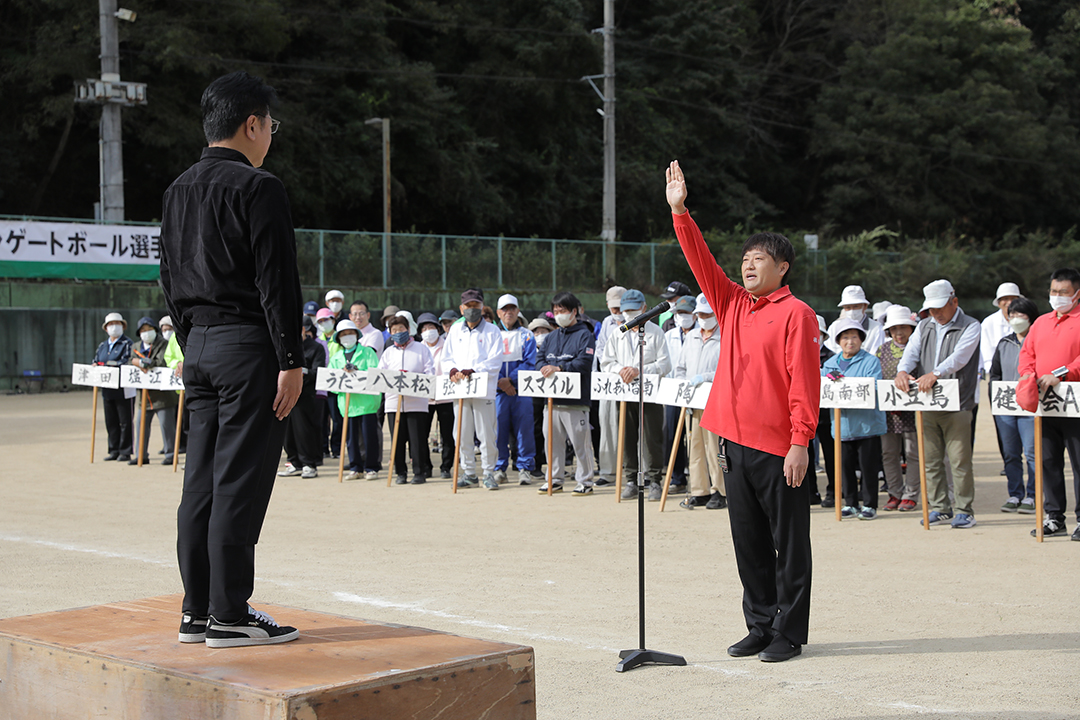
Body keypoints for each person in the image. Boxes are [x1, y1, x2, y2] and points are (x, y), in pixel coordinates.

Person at [159, 70, 302, 647]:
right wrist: (290, 358)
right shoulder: (259, 187)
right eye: (270, 125)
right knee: (240, 480)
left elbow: (169, 278)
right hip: (248, 348)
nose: (270, 135)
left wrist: (192, 339)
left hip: (198, 346)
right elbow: (277, 280)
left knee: (201, 482)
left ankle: (197, 611)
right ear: (252, 124)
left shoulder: (177, 189)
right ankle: (229, 614)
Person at [668, 160, 818, 663]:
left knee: (788, 545)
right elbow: (701, 262)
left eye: (760, 259)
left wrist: (800, 442)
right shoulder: (731, 303)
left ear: (783, 268)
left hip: (779, 447)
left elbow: (804, 383)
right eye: (746, 259)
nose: (749, 266)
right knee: (748, 542)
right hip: (733, 442)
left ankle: (788, 633)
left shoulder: (797, 314)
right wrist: (680, 212)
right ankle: (760, 624)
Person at [894, 279, 981, 530]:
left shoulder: (971, 325)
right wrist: (902, 371)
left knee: (959, 459)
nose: (936, 313)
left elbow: (960, 357)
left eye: (940, 307)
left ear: (954, 301)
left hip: (958, 402)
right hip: (927, 401)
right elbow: (911, 352)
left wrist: (935, 373)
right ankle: (940, 507)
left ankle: (964, 510)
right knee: (930, 459)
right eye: (931, 309)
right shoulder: (924, 326)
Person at [1017, 268, 1080, 540]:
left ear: (1077, 294)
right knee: (1048, 461)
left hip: (1075, 404)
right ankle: (1055, 517)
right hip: (1045, 405)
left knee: (1079, 463)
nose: (1057, 296)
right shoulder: (1041, 322)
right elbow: (1026, 354)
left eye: (1064, 292)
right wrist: (1027, 374)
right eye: (1054, 291)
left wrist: (1061, 373)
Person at [600, 288, 672, 501]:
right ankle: (631, 479)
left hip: (650, 394)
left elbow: (665, 364)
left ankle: (655, 479)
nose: (630, 314)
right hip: (624, 394)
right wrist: (621, 370)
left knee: (652, 437)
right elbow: (606, 362)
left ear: (644, 308)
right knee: (627, 436)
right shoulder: (617, 333)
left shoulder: (655, 332)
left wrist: (639, 370)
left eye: (634, 310)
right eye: (626, 310)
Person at [822, 319, 887, 520]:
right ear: (838, 341)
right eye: (845, 338)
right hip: (842, 426)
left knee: (868, 468)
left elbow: (874, 387)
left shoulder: (871, 361)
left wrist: (845, 385)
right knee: (845, 467)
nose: (850, 342)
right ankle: (850, 503)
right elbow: (825, 387)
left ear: (861, 340)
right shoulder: (830, 364)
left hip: (867, 425)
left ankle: (869, 504)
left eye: (854, 337)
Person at [534, 292, 597, 494]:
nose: (559, 314)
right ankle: (554, 479)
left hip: (576, 401)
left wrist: (560, 367)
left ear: (574, 311)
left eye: (562, 310)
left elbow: (584, 362)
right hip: (551, 400)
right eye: (556, 311)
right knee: (552, 443)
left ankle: (586, 481)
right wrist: (544, 367)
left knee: (580, 443)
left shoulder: (585, 335)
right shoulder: (551, 337)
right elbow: (539, 359)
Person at [442, 288, 504, 490]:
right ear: (461, 309)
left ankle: (488, 472)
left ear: (482, 306)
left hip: (482, 388)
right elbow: (446, 357)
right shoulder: (455, 330)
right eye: (468, 306)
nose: (472, 309)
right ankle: (469, 472)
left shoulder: (492, 330)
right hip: (460, 388)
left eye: (475, 305)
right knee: (461, 432)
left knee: (486, 433)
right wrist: (452, 370)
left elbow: (495, 361)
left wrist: (474, 371)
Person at [989, 297, 1039, 514]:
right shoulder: (1004, 343)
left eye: (1021, 315)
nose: (1016, 319)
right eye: (1012, 315)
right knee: (1010, 453)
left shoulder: (1039, 341)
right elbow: (995, 374)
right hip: (1006, 407)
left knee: (1032, 452)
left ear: (1031, 318)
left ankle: (1033, 495)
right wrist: (996, 398)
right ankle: (1015, 494)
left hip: (1032, 407)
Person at [676, 294, 725, 509]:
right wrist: (683, 386)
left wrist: (704, 378)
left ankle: (720, 490)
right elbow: (680, 367)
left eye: (708, 314)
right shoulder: (692, 337)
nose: (704, 318)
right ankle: (699, 489)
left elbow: (727, 371)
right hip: (693, 401)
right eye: (701, 315)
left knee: (715, 447)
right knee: (694, 446)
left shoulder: (725, 337)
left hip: (716, 401)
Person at [379, 314, 435, 484]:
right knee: (397, 440)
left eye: (401, 329)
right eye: (394, 330)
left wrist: (412, 378)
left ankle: (419, 472)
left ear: (408, 329)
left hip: (416, 403)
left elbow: (430, 372)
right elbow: (380, 375)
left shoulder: (421, 349)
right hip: (393, 403)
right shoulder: (388, 352)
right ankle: (400, 472)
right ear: (390, 333)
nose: (398, 332)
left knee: (417, 440)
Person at [877, 305, 921, 512]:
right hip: (888, 412)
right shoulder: (882, 350)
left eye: (903, 327)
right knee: (889, 453)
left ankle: (911, 494)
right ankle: (894, 492)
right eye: (894, 329)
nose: (899, 333)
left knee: (913, 453)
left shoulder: (919, 348)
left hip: (914, 410)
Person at [328, 320, 381, 480]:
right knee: (350, 438)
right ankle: (355, 467)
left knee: (369, 436)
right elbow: (331, 383)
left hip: (367, 403)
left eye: (350, 333)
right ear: (339, 339)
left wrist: (357, 371)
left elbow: (374, 373)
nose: (347, 337)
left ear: (356, 335)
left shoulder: (367, 352)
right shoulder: (336, 358)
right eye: (343, 335)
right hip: (347, 404)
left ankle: (371, 467)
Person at [493, 294, 538, 485]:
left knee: (524, 431)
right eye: (504, 309)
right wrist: (500, 382)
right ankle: (499, 468)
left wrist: (510, 380)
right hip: (498, 392)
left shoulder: (527, 335)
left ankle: (525, 468)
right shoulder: (491, 334)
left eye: (512, 308)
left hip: (522, 391)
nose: (508, 312)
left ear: (518, 311)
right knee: (497, 431)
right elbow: (486, 362)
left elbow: (530, 362)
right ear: (498, 313)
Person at [279, 316, 325, 479]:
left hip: (305, 396)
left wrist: (301, 371)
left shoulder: (316, 347)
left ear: (303, 330)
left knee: (304, 431)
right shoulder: (286, 346)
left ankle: (309, 464)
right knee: (287, 432)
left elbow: (318, 371)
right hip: (286, 394)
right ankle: (293, 462)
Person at [982, 282, 1021, 471]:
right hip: (999, 381)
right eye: (1004, 299)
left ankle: (1030, 461)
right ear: (998, 303)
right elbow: (986, 355)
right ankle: (1009, 461)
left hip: (1025, 380)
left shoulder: (1028, 321)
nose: (1008, 302)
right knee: (1003, 423)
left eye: (1012, 298)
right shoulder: (988, 323)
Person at [129, 316, 178, 466]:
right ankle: (141, 455)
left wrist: (141, 362)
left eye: (149, 329)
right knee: (140, 425)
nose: (146, 332)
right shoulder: (136, 346)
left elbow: (160, 362)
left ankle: (170, 454)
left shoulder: (163, 344)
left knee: (166, 425)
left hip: (163, 396)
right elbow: (130, 361)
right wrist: (137, 362)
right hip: (143, 396)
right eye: (143, 330)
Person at [662, 295, 696, 493]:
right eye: (679, 313)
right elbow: (666, 363)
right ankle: (677, 478)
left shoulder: (702, 333)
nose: (682, 316)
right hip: (674, 391)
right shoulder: (669, 336)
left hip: (698, 392)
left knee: (696, 438)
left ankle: (704, 480)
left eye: (686, 313)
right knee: (672, 434)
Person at [594, 286, 626, 486]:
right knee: (606, 423)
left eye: (619, 306)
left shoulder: (637, 321)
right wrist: (612, 368)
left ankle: (638, 472)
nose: (616, 310)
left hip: (631, 379)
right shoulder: (606, 322)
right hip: (609, 380)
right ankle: (608, 472)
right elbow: (600, 350)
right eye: (613, 307)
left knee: (632, 425)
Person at [418, 312, 455, 479]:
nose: (428, 331)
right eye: (424, 328)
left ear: (438, 329)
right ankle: (426, 466)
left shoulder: (448, 345)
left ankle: (446, 467)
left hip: (446, 396)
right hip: (424, 398)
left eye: (431, 327)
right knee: (421, 434)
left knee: (448, 434)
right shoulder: (418, 348)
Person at [93, 312, 134, 463]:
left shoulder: (127, 344)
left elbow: (126, 361)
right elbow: (96, 360)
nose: (114, 327)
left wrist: (110, 366)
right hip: (107, 388)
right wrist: (96, 366)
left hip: (123, 389)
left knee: (125, 421)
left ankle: (125, 451)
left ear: (123, 326)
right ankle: (113, 449)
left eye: (117, 324)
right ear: (106, 328)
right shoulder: (102, 346)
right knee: (110, 421)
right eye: (110, 324)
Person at [809, 315, 837, 507]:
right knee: (807, 455)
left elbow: (837, 379)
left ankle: (834, 491)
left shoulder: (833, 358)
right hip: (804, 413)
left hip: (826, 414)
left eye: (817, 333)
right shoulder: (796, 353)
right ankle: (810, 492)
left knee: (830, 454)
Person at [825, 285, 884, 356]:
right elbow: (829, 353)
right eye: (848, 307)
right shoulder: (834, 327)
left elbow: (877, 355)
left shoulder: (877, 329)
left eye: (856, 306)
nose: (852, 311)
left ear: (865, 306)